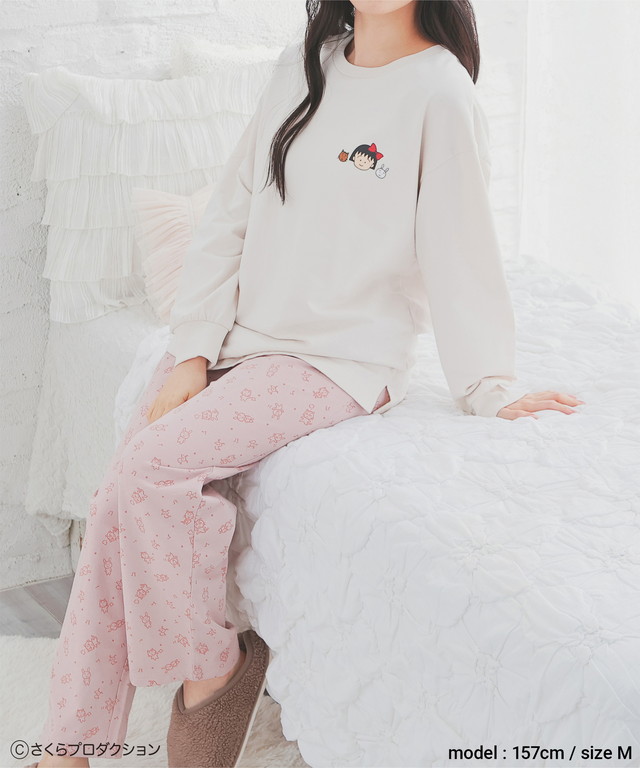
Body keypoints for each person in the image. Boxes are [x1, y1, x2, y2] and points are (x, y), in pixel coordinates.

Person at [31, 2, 585, 767]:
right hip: (235, 338)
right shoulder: (305, 64)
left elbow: (461, 248)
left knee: (151, 468)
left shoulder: (439, 90)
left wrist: (490, 383)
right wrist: (193, 349)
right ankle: (68, 748)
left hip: (334, 360)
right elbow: (230, 210)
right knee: (116, 498)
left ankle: (212, 667)